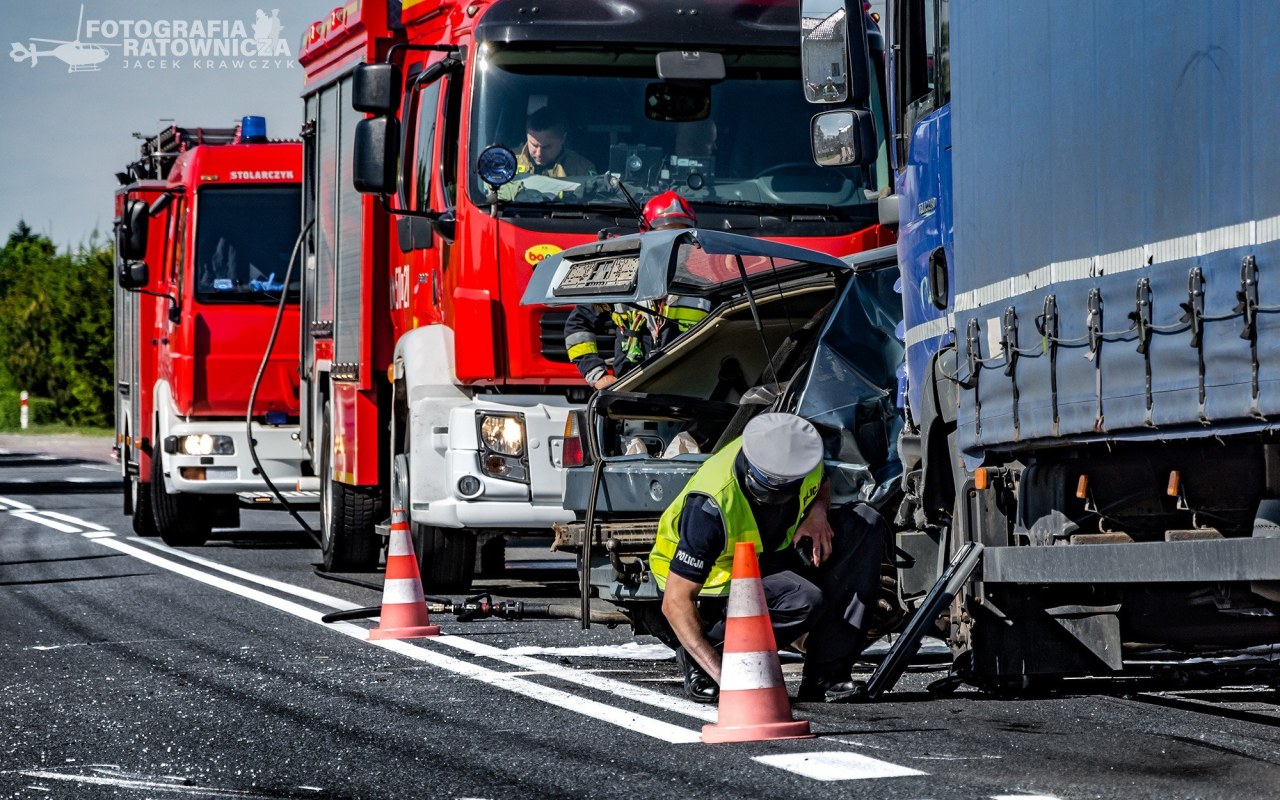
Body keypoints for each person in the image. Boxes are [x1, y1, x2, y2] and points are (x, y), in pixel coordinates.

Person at [648, 412, 887, 704]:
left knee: (865, 522)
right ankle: (703, 657)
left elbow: (820, 482)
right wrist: (727, 679)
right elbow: (675, 602)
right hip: (715, 575)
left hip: (768, 553)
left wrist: (817, 513)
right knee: (802, 600)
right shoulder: (711, 505)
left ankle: (826, 676)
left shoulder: (801, 455)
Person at [563, 191, 709, 390]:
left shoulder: (706, 290)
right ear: (645, 235)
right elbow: (578, 326)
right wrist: (597, 375)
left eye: (681, 236)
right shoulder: (620, 284)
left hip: (687, 398)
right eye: (665, 235)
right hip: (630, 398)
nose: (674, 244)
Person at [515, 107, 597, 179]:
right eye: (534, 145)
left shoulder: (582, 170)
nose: (539, 153)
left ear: (563, 139)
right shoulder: (507, 162)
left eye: (546, 147)